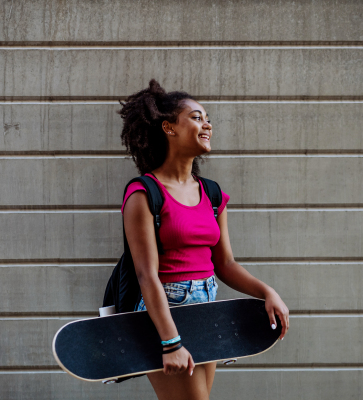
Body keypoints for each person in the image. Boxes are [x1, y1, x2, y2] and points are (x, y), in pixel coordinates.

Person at [119, 79, 289, 400]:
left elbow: (224, 264)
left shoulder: (211, 193)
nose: (207, 124)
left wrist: (267, 292)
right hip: (166, 311)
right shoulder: (144, 193)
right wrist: (170, 342)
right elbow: (146, 275)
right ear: (169, 128)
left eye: (208, 118)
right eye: (197, 117)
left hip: (206, 310)